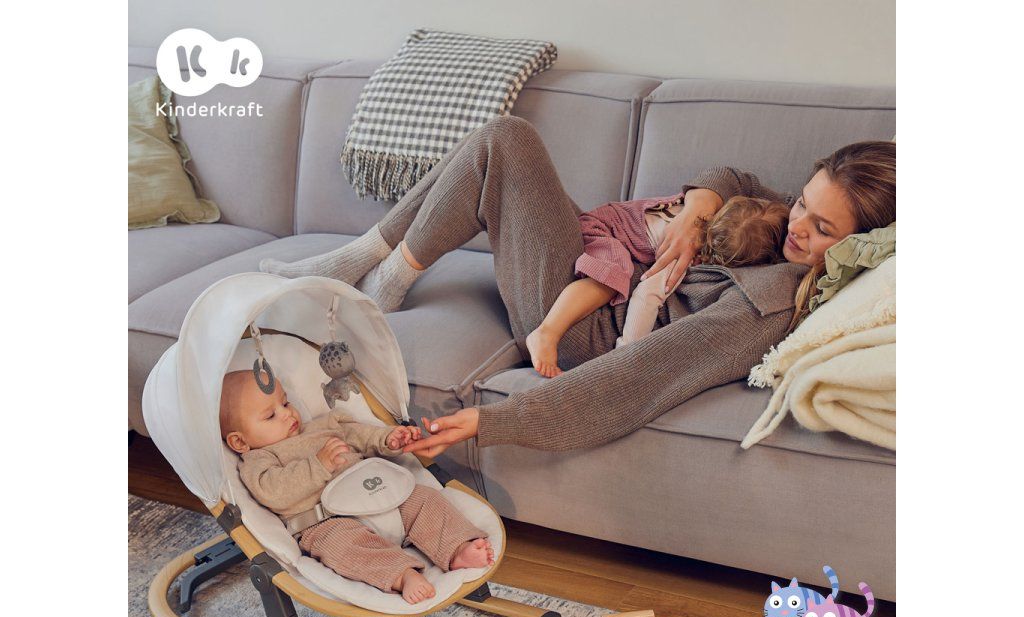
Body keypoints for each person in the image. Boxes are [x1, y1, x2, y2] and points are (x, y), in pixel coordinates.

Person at [261, 116, 896, 457]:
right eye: (803, 203)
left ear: (863, 245)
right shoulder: (789, 226)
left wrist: (498, 420)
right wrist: (699, 208)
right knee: (493, 143)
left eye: (822, 228)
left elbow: (647, 373)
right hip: (598, 271)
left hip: (585, 329)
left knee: (507, 140)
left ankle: (374, 272)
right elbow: (735, 176)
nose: (796, 225)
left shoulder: (772, 301)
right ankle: (367, 262)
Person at [219, 370, 494, 604]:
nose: (287, 414)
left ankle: (456, 548)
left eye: (285, 402)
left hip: (382, 494)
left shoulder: (325, 426)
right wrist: (318, 465)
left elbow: (362, 435)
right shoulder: (259, 460)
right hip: (328, 522)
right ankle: (402, 575)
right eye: (270, 416)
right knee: (342, 549)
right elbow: (273, 492)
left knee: (425, 500)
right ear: (239, 442)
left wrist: (389, 439)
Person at [526, 196, 791, 377]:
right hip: (603, 230)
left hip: (610, 216)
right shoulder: (683, 250)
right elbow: (647, 296)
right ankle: (547, 332)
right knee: (611, 278)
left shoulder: (704, 208)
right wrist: (627, 351)